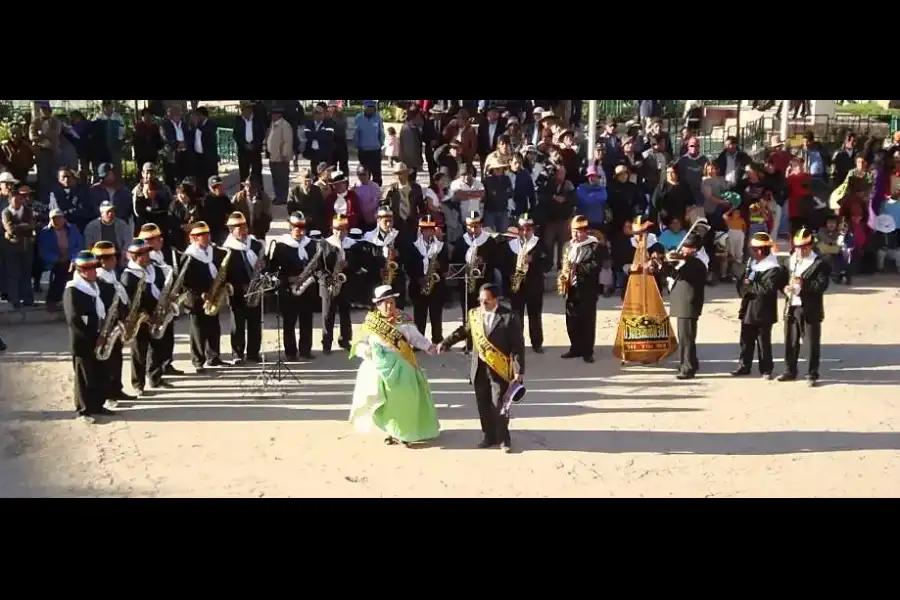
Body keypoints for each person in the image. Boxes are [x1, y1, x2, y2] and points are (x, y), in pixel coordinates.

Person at [348, 284, 441, 447]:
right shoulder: (371, 323)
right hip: (379, 368)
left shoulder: (403, 320)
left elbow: (416, 338)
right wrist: (367, 351)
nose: (389, 306)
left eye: (392, 302)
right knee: (387, 404)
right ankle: (393, 431)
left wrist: (429, 347)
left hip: (403, 365)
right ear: (378, 305)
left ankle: (405, 433)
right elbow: (358, 344)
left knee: (406, 400)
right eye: (385, 303)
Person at [440, 283, 524, 453]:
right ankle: (488, 435)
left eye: (486, 301)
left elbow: (517, 346)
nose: (482, 304)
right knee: (483, 404)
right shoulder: (475, 315)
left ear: (495, 300)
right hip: (479, 368)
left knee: (499, 404)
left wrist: (518, 370)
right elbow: (463, 331)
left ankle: (503, 438)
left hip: (499, 369)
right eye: (480, 300)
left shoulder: (510, 317)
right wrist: (446, 342)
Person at [63, 250, 115, 424]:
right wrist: (93, 337)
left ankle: (98, 405)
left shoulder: (95, 286)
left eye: (95, 267)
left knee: (99, 373)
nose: (94, 271)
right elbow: (74, 319)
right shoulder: (73, 290)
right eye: (89, 268)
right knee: (84, 377)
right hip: (83, 341)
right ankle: (84, 409)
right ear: (80, 271)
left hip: (99, 336)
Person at [732, 232, 788, 379]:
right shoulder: (753, 264)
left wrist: (749, 285)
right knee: (745, 339)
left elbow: (767, 289)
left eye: (753, 249)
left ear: (760, 250)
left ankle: (766, 369)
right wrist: (742, 282)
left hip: (763, 310)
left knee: (763, 342)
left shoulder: (773, 268)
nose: (751, 252)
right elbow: (743, 283)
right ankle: (744, 366)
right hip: (748, 307)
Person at [779, 227, 830, 386]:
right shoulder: (790, 260)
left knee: (811, 342)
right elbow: (782, 278)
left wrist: (803, 284)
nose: (800, 250)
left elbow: (821, 286)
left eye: (804, 247)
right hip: (792, 305)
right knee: (790, 340)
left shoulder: (819, 263)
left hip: (810, 308)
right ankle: (790, 370)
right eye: (798, 247)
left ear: (810, 246)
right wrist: (785, 289)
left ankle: (812, 374)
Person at [267, 211, 319, 360]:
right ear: (290, 227)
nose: (300, 230)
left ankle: (305, 350)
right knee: (289, 322)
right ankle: (290, 352)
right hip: (289, 290)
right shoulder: (281, 246)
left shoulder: (311, 245)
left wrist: (311, 277)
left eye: (302, 227)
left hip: (307, 288)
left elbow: (317, 266)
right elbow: (273, 271)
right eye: (297, 227)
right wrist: (288, 279)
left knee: (307, 321)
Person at [120, 238, 169, 395]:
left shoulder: (155, 268)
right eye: (143, 254)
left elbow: (163, 287)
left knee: (158, 348)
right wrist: (145, 316)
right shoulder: (129, 276)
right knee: (139, 352)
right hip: (139, 319)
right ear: (134, 257)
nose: (148, 255)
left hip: (158, 314)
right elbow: (129, 301)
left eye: (148, 252)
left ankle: (155, 378)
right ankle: (138, 384)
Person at [658, 233, 708, 379]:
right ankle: (690, 362)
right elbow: (673, 273)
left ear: (694, 249)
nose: (683, 250)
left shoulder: (698, 262)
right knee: (686, 336)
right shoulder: (688, 260)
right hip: (683, 302)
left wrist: (680, 259)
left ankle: (687, 368)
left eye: (687, 248)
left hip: (689, 303)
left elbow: (681, 274)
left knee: (686, 337)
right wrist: (662, 264)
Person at [91, 240, 135, 405]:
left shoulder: (112, 276)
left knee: (117, 358)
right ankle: (108, 393)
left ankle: (117, 388)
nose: (115, 261)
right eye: (111, 258)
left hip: (116, 323)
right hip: (106, 326)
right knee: (107, 362)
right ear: (102, 261)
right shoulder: (100, 281)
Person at [181, 221, 226, 372]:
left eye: (207, 234)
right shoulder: (188, 257)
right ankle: (198, 361)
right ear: (193, 238)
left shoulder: (215, 252)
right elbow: (185, 282)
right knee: (198, 330)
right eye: (201, 235)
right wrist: (200, 293)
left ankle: (213, 356)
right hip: (195, 299)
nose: (206, 237)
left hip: (213, 295)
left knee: (214, 327)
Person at [451, 211, 500, 350]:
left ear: (481, 226)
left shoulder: (489, 241)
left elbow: (497, 260)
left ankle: (485, 341)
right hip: (466, 283)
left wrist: (484, 260)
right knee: (468, 313)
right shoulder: (462, 242)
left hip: (484, 283)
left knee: (485, 312)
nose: (473, 230)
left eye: (476, 226)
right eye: (470, 227)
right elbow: (455, 261)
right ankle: (469, 342)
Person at [222, 212, 266, 364]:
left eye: (244, 226)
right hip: (238, 290)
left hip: (255, 288)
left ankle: (254, 352)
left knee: (255, 322)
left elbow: (264, 263)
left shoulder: (256, 244)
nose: (242, 230)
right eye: (238, 227)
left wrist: (263, 268)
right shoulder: (227, 249)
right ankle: (237, 353)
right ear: (231, 230)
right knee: (238, 323)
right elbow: (224, 273)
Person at [139, 223, 182, 375]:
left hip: (166, 300)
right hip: (154, 303)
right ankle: (155, 370)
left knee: (168, 335)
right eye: (154, 239)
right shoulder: (147, 259)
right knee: (156, 340)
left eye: (158, 238)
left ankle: (167, 363)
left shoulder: (164, 255)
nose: (160, 241)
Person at [503, 214, 549, 352]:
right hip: (517, 285)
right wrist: (510, 275)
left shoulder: (540, 243)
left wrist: (533, 260)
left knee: (535, 315)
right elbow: (503, 263)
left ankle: (537, 344)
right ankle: (517, 343)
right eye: (522, 229)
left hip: (534, 285)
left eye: (528, 229)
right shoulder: (511, 245)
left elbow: (548, 264)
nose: (525, 232)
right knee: (516, 316)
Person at [406, 214, 448, 344]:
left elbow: (446, 264)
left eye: (431, 229)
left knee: (436, 313)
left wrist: (440, 266)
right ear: (421, 231)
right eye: (425, 229)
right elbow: (409, 265)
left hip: (436, 284)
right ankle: (419, 341)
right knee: (419, 314)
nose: (428, 232)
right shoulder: (413, 246)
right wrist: (418, 278)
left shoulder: (440, 246)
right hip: (419, 284)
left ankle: (437, 338)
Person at [320, 214, 357, 354]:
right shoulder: (324, 244)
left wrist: (349, 264)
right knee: (327, 315)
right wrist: (327, 279)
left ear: (347, 230)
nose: (339, 232)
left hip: (345, 283)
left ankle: (345, 340)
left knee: (345, 314)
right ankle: (326, 343)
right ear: (332, 229)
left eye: (342, 229)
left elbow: (358, 263)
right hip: (328, 284)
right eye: (336, 229)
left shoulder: (352, 245)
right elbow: (319, 267)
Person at [37, 208, 83, 311]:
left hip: (72, 258)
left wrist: (73, 258)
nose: (56, 221)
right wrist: (57, 258)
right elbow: (43, 250)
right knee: (61, 272)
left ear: (63, 219)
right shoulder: (45, 232)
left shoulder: (73, 229)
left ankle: (76, 301)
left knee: (78, 271)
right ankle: (53, 300)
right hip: (55, 260)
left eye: (59, 218)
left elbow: (79, 245)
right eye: (54, 219)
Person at [363, 207, 408, 309]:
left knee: (397, 311)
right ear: (378, 221)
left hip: (395, 280)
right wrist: (377, 270)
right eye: (386, 221)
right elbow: (365, 260)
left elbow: (408, 255)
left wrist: (398, 253)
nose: (389, 224)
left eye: (391, 221)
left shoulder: (399, 236)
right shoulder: (369, 238)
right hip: (376, 280)